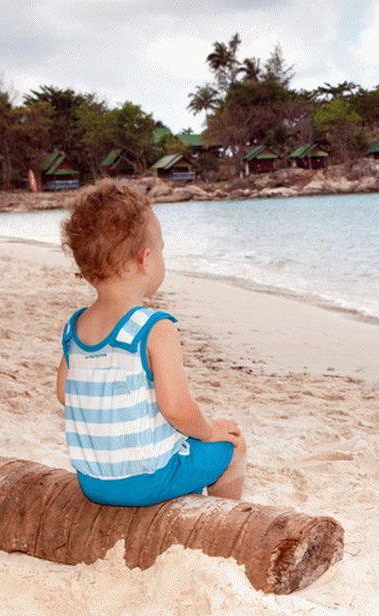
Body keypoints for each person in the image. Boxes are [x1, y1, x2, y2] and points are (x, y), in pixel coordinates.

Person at [56, 180, 246, 506]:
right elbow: (176, 408)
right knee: (232, 447)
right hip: (145, 481)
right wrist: (209, 431)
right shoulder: (154, 327)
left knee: (177, 444)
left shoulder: (76, 327)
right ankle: (226, 517)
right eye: (161, 250)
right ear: (146, 260)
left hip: (93, 482)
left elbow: (65, 394)